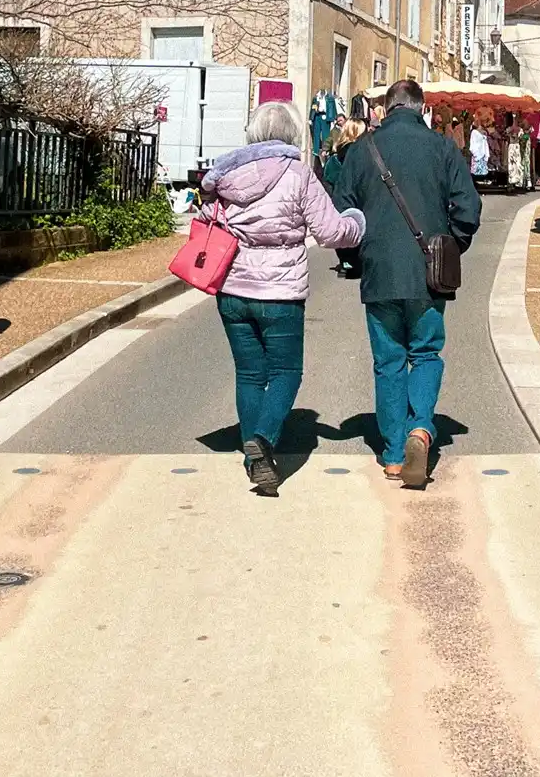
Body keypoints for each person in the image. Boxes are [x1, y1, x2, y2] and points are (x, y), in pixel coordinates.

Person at [200, 102, 364, 496]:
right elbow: (329, 232)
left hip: (232, 286)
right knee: (287, 372)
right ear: (294, 135)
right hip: (280, 290)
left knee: (250, 374)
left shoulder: (226, 173)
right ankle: (263, 438)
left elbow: (206, 218)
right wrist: (357, 223)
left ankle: (252, 456)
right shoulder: (298, 173)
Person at [334, 80, 482, 489]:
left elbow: (342, 211)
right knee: (427, 353)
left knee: (388, 362)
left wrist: (356, 258)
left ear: (386, 106)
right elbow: (468, 208)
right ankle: (421, 427)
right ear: (422, 108)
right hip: (428, 271)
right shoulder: (442, 147)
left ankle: (395, 454)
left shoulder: (362, 149)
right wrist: (451, 245)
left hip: (379, 270)